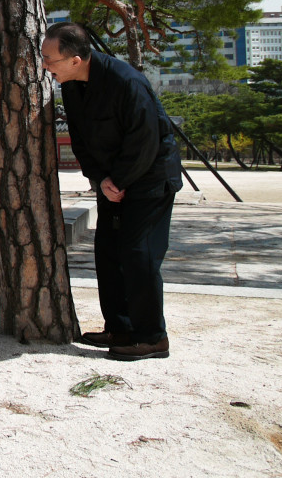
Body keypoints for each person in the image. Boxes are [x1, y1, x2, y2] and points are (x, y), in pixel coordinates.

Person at [42, 22, 182, 361]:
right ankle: (120, 328)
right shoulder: (72, 85)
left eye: (49, 60)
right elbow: (80, 139)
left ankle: (151, 336)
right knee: (108, 253)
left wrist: (117, 181)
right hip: (112, 182)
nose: (45, 66)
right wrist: (101, 178)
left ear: (75, 59)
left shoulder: (126, 81)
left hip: (149, 180)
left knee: (139, 255)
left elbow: (145, 140)